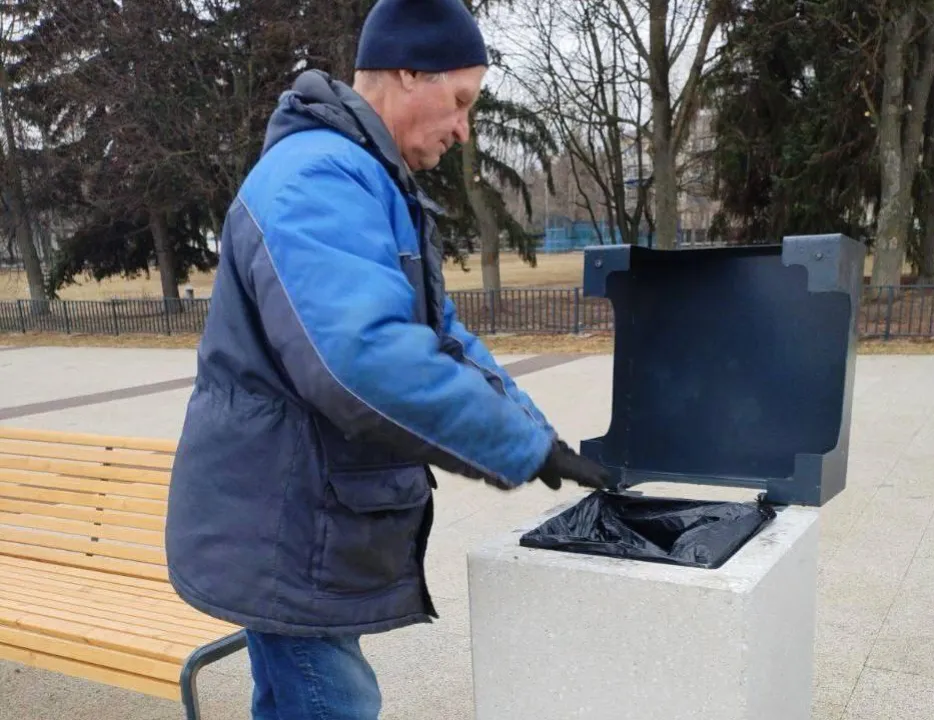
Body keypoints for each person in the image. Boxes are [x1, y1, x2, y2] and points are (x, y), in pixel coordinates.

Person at [164, 0, 610, 717]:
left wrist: (536, 435)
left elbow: (443, 337)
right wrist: (518, 448)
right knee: (331, 703)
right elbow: (364, 361)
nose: (464, 129)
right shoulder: (318, 180)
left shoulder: (361, 176)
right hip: (285, 530)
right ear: (408, 72)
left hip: (291, 524)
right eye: (459, 100)